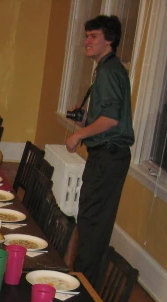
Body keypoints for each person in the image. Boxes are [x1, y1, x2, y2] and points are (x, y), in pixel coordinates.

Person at [65, 15, 134, 284]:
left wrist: (79, 134)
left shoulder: (109, 71)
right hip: (110, 157)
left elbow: (112, 120)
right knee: (94, 220)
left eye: (93, 36)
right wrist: (83, 118)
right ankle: (85, 280)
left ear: (110, 40)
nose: (87, 42)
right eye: (86, 36)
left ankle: (84, 285)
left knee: (92, 221)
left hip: (108, 156)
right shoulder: (108, 69)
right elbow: (104, 116)